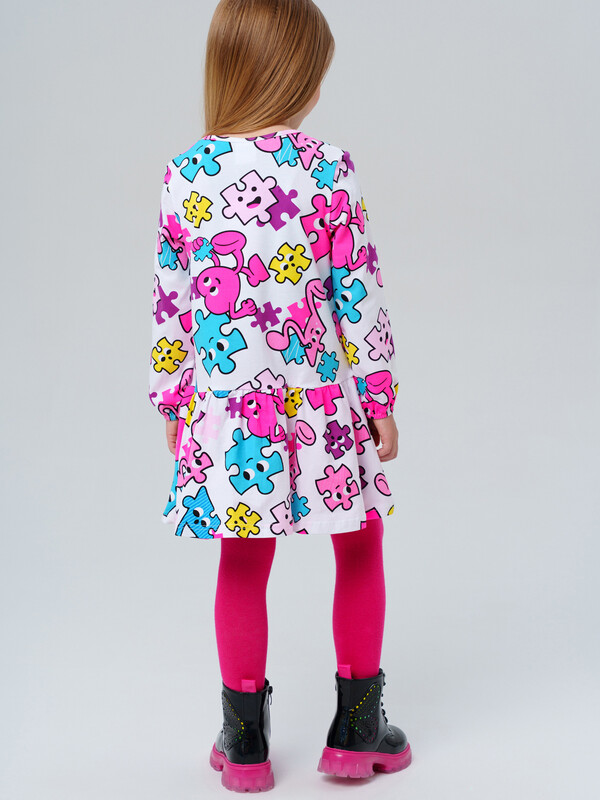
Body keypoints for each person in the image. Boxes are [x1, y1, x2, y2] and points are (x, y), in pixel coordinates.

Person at [148, 0, 412, 791]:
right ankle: (357, 731)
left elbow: (173, 304)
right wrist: (378, 395)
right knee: (359, 541)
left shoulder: (185, 173)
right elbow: (357, 292)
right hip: (322, 405)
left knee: (241, 555)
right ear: (295, 76)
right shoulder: (328, 167)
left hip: (230, 410)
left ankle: (244, 744)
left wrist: (174, 401)